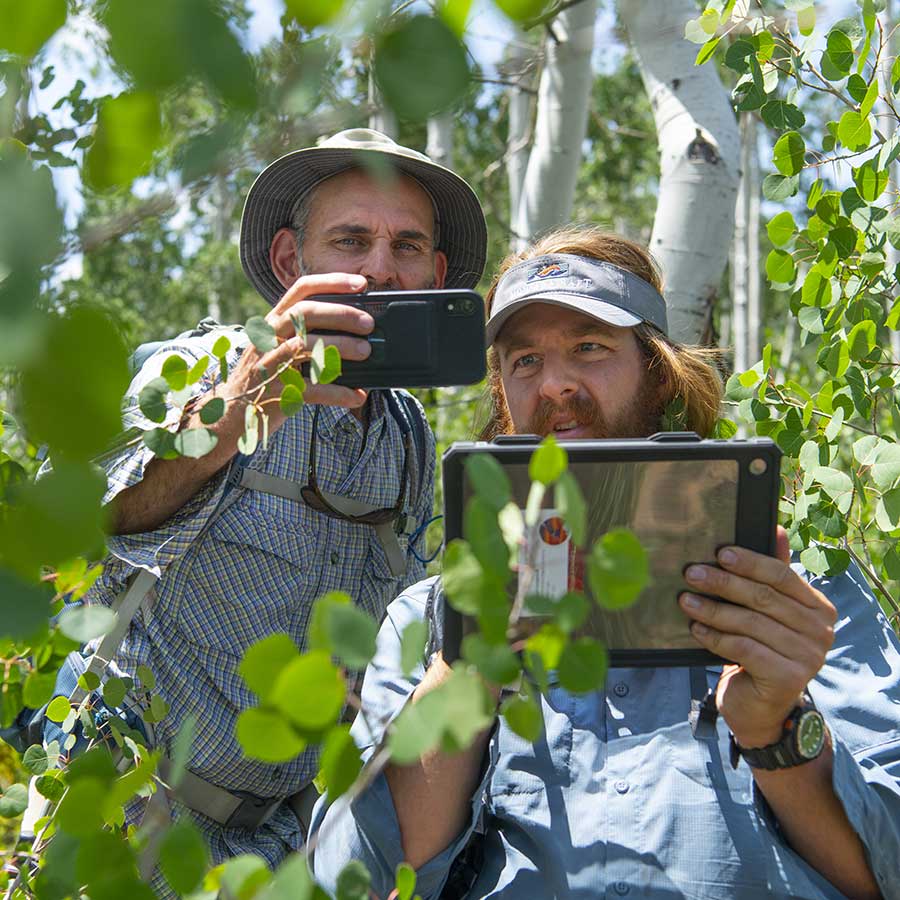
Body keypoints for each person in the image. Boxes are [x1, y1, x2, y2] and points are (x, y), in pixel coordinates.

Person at [311, 226, 900, 900]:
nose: (555, 383)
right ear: (501, 393)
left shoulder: (790, 593)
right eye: (524, 360)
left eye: (589, 347)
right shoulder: (432, 618)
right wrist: (463, 674)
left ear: (658, 372)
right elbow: (346, 881)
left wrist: (775, 729)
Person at [80, 129, 487, 870]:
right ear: (289, 261)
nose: (377, 270)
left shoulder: (408, 434)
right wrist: (233, 414)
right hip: (130, 822)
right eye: (350, 240)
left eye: (405, 248)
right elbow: (105, 526)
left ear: (433, 272)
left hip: (283, 846)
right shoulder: (200, 369)